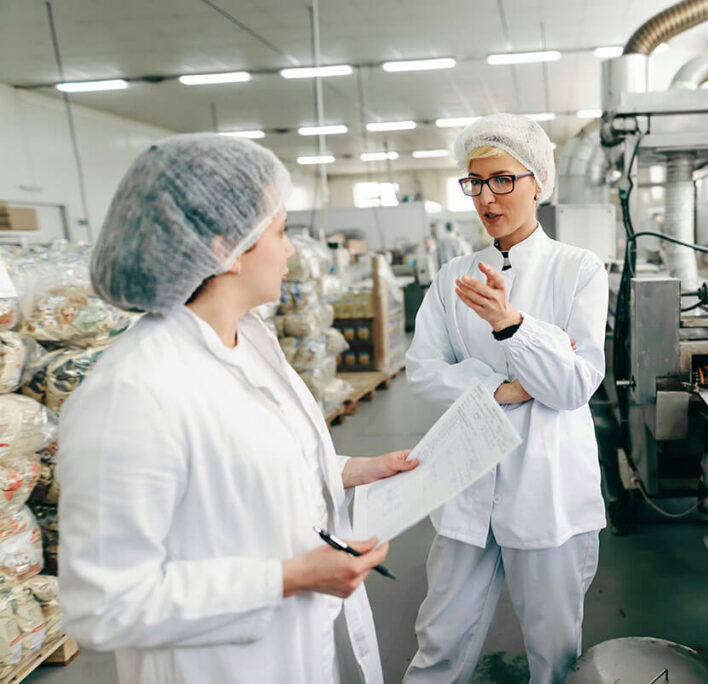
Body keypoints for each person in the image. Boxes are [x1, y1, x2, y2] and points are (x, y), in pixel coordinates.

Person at [57, 133, 416, 684]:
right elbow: (104, 605)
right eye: (280, 231)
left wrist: (350, 471)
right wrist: (288, 578)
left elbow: (250, 464)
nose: (292, 251)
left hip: (293, 652)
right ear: (225, 248)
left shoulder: (247, 338)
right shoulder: (131, 392)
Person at [404, 113, 609, 684]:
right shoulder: (452, 277)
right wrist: (503, 387)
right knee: (439, 642)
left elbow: (573, 385)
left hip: (547, 491)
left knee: (554, 653)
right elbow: (421, 371)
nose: (486, 198)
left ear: (538, 180)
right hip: (466, 483)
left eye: (502, 180)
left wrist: (513, 326)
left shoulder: (578, 270)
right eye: (475, 182)